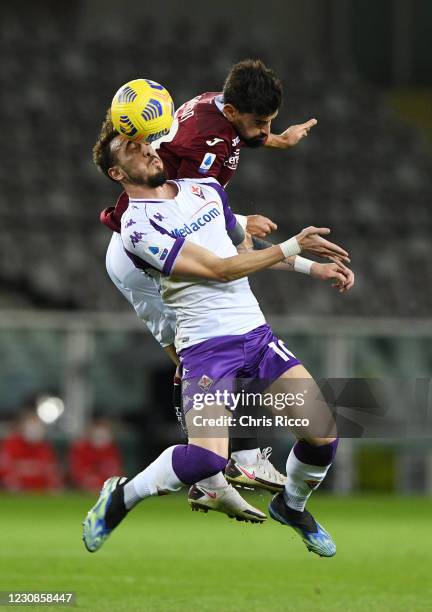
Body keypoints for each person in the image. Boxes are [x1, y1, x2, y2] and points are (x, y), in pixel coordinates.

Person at [83, 133, 354, 558]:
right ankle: (121, 496)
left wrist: (307, 266)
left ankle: (292, 506)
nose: (147, 150)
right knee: (207, 460)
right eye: (131, 150)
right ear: (117, 173)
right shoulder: (137, 228)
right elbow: (220, 269)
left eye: (145, 144)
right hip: (207, 347)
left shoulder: (204, 189)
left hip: (257, 335)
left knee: (323, 436)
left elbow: (242, 247)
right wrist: (291, 244)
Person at [100, 59, 322, 499]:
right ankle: (227, 463)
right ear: (235, 112)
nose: (265, 130)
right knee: (218, 340)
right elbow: (172, 198)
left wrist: (277, 139)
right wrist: (245, 224)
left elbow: (194, 188)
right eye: (262, 123)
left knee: (204, 350)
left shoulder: (212, 106)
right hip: (146, 251)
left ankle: (214, 469)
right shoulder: (202, 140)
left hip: (139, 250)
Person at [0, 411, 63, 492]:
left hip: (40, 494)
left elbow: (52, 473)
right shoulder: (11, 445)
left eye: (37, 426)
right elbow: (4, 471)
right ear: (22, 427)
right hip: (15, 495)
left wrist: (54, 485)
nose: (34, 429)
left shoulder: (45, 448)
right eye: (31, 425)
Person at [69, 419, 123, 492]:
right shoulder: (81, 448)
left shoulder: (112, 450)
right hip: (83, 490)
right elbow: (77, 473)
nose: (101, 436)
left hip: (106, 488)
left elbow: (116, 475)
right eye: (98, 435)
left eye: (103, 435)